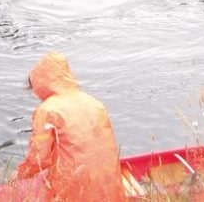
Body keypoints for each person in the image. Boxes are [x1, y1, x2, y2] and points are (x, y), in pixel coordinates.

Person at [13, 52, 125, 201]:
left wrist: (20, 175)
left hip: (75, 193)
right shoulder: (94, 103)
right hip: (111, 189)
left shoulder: (48, 109)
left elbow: (38, 159)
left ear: (40, 84)